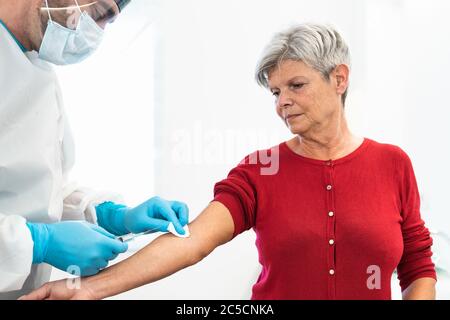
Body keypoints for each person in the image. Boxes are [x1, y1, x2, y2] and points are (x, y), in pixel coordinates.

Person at [22, 23, 437, 300]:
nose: (282, 102)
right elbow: (193, 243)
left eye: (296, 85)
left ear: (339, 79)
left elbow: (417, 264)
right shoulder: (259, 172)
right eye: (275, 92)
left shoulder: (392, 164)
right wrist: (88, 289)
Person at [0, 0, 188, 300]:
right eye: (99, 14)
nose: (96, 32)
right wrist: (38, 242)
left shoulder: (37, 71)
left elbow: (42, 191)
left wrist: (110, 216)